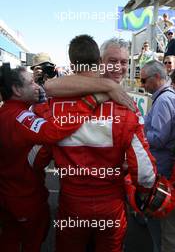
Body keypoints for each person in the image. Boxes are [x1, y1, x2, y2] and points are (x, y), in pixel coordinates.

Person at [46, 35, 157, 252]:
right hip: (110, 203)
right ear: (99, 62)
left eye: (123, 62)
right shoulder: (126, 107)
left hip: (72, 201)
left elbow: (37, 154)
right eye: (112, 61)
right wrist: (146, 190)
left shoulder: (54, 103)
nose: (118, 67)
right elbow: (144, 173)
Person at [0, 63, 106, 252]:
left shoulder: (5, 112)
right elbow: (53, 131)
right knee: (31, 241)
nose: (37, 86)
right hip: (25, 197)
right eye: (31, 82)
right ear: (16, 89)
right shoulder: (19, 117)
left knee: (10, 237)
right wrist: (90, 102)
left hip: (9, 194)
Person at [140, 60, 175, 252]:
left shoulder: (164, 99)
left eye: (144, 80)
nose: (142, 84)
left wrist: (139, 134)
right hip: (164, 166)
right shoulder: (164, 98)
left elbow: (159, 138)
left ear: (157, 78)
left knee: (158, 219)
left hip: (163, 168)